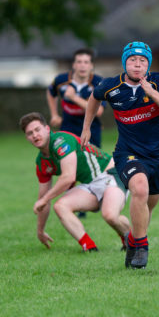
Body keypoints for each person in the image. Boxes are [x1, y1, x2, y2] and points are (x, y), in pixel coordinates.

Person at [80, 41, 159, 269]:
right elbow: (94, 98)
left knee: (148, 206)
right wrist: (86, 128)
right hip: (128, 153)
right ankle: (142, 247)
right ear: (125, 62)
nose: (137, 65)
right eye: (132, 60)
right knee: (140, 189)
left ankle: (133, 240)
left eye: (142, 61)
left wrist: (151, 92)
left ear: (148, 65)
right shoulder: (110, 86)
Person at [20, 112, 130, 252]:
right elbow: (43, 199)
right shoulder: (41, 163)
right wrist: (40, 231)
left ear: (47, 129)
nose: (35, 135)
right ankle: (89, 248)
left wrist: (45, 198)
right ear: (27, 138)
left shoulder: (61, 140)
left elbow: (68, 177)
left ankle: (129, 237)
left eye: (37, 130)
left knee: (110, 216)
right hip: (90, 185)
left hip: (111, 174)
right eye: (30, 133)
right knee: (60, 206)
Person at [46, 48, 106, 219]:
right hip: (68, 127)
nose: (82, 65)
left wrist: (73, 98)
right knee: (68, 163)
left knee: (91, 165)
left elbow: (99, 111)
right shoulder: (61, 80)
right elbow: (50, 92)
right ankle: (72, 201)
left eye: (86, 62)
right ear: (73, 64)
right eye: (79, 61)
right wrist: (54, 114)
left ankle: (92, 200)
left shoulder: (99, 83)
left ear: (91, 65)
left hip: (91, 128)